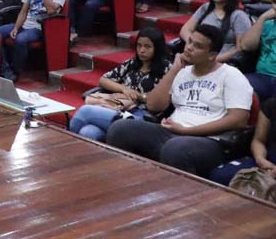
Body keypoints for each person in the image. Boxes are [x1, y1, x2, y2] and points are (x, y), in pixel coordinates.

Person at [106, 25, 254, 178]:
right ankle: (127, 181)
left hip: (209, 141)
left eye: (197, 46)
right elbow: (153, 106)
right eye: (189, 42)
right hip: (172, 133)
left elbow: (239, 120)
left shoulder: (231, 75)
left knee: (175, 149)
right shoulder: (182, 72)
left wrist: (185, 131)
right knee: (120, 129)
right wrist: (174, 70)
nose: (189, 48)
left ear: (212, 55)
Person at [69, 26, 169, 141]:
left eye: (147, 47)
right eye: (139, 45)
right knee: (88, 132)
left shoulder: (166, 69)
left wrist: (140, 96)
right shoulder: (132, 64)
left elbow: (162, 103)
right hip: (119, 108)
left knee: (85, 111)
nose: (141, 50)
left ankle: (65, 146)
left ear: (157, 48)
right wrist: (124, 89)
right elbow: (103, 80)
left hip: (142, 117)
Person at [0, 0, 68, 80]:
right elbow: (24, 11)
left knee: (20, 39)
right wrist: (16, 27)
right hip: (25, 24)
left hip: (41, 27)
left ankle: (15, 71)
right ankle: (5, 68)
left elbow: (51, 11)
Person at [179, 0, 250, 63]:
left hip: (221, 61)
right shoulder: (205, 8)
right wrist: (194, 45)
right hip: (198, 56)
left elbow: (240, 48)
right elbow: (185, 30)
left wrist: (214, 60)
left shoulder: (238, 16)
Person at [209, 97, 275, 186]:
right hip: (268, 161)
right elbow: (258, 141)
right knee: (220, 175)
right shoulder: (271, 104)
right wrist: (260, 159)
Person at [237, 0, 276, 101]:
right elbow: (246, 46)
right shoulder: (266, 24)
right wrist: (262, 18)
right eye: (275, 2)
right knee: (236, 86)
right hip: (261, 76)